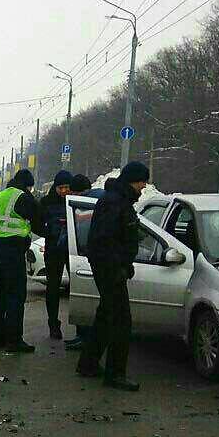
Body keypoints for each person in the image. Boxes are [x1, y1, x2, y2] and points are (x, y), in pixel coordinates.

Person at [75, 161, 149, 391]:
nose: (143, 186)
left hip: (112, 267)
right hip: (110, 268)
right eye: (141, 182)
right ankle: (115, 374)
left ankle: (88, 363)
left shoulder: (118, 200)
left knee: (106, 315)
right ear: (131, 180)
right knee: (121, 322)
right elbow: (105, 239)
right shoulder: (115, 202)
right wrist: (117, 266)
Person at [0, 168, 43, 353]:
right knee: (16, 296)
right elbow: (39, 220)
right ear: (28, 185)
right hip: (14, 252)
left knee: (0, 294)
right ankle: (14, 340)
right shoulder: (23, 197)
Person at [39, 170, 74, 340]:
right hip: (54, 249)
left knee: (77, 288)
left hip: (74, 251)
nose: (64, 190)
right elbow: (37, 223)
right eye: (61, 187)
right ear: (56, 187)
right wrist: (50, 232)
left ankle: (81, 328)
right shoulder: (47, 202)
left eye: (67, 187)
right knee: (53, 287)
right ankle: (53, 324)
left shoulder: (75, 200)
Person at [63, 173, 96, 351]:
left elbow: (71, 235)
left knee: (83, 297)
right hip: (96, 259)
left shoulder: (81, 206)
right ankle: (83, 336)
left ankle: (84, 337)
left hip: (84, 258)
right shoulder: (100, 200)